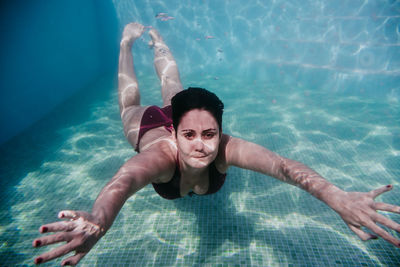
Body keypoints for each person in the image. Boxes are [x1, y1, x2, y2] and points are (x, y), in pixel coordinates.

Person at [32, 22, 400, 266]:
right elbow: (124, 181)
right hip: (152, 131)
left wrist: (338, 197)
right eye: (190, 135)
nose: (201, 147)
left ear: (220, 131)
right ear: (176, 132)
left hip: (181, 114)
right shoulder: (161, 157)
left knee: (175, 86)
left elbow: (283, 166)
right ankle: (127, 44)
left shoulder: (223, 147)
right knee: (129, 103)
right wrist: (100, 217)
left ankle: (158, 43)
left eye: (209, 135)